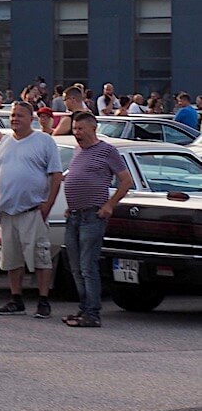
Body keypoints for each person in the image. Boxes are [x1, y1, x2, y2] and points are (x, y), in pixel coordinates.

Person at [0, 101, 64, 318]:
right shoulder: (4, 142)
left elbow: (56, 176)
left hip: (33, 210)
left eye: (20, 115)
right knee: (11, 258)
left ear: (31, 118)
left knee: (41, 256)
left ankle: (43, 300)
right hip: (8, 212)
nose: (15, 119)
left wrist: (48, 204)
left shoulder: (44, 141)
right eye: (12, 115)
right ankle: (16, 299)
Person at [61, 112, 133, 328]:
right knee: (74, 267)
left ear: (93, 129)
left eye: (81, 129)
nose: (76, 133)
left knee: (87, 266)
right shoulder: (77, 151)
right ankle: (83, 309)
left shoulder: (107, 151)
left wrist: (109, 205)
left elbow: (126, 181)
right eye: (74, 129)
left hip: (93, 216)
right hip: (74, 215)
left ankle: (92, 313)